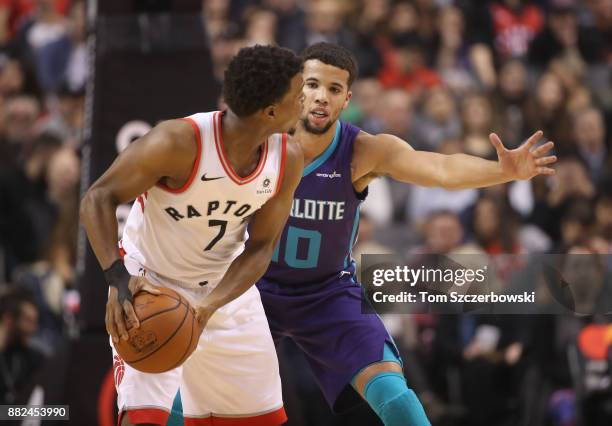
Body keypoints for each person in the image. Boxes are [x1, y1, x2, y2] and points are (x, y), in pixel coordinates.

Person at [255, 42, 556, 426]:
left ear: (347, 98)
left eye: (333, 90)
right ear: (297, 87)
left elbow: (440, 169)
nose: (321, 98)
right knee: (192, 380)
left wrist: (504, 172)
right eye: (313, 85)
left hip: (327, 292)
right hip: (255, 284)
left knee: (395, 395)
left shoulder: (362, 150)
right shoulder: (262, 138)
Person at [80, 45, 304, 426]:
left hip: (226, 291)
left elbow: (262, 246)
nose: (305, 102)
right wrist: (117, 279)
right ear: (271, 112)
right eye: (298, 96)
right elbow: (98, 197)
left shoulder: (288, 157)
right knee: (144, 418)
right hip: (150, 285)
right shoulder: (177, 142)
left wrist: (207, 306)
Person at [0, 287, 44, 405]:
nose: (33, 329)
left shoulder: (35, 358)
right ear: (8, 320)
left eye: (35, 322)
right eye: (27, 321)